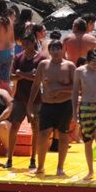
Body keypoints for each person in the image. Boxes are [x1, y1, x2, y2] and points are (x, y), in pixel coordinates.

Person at [29, 39, 76, 176]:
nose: (55, 52)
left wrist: (60, 90)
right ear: (49, 51)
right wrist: (30, 104)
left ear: (63, 50)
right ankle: (40, 166)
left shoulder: (69, 66)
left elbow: (76, 88)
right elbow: (36, 85)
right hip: (47, 105)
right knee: (43, 134)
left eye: (58, 49)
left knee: (63, 135)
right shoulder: (43, 65)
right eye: (53, 49)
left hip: (64, 105)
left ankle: (60, 167)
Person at [6, 33, 45, 170]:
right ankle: (9, 158)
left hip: (35, 98)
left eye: (28, 43)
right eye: (24, 43)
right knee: (14, 127)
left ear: (34, 43)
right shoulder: (17, 57)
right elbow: (11, 77)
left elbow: (38, 78)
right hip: (19, 97)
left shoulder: (41, 58)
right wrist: (28, 75)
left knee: (36, 128)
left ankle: (33, 158)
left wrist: (21, 74)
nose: (25, 46)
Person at [73, 51, 96, 181]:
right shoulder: (79, 71)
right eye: (93, 62)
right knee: (87, 141)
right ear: (87, 61)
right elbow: (75, 92)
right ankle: (90, 171)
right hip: (85, 106)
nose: (95, 65)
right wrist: (74, 112)